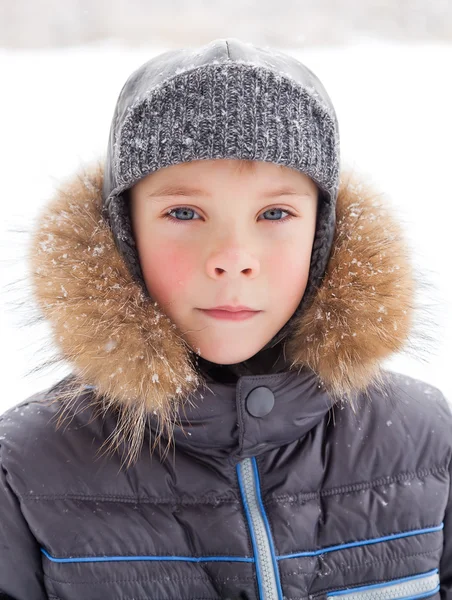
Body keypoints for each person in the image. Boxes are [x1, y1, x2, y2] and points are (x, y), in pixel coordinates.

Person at [0, 37, 450, 600]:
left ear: (324, 233)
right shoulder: (27, 465)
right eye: (184, 212)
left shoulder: (427, 440)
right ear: (123, 232)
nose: (233, 258)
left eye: (275, 212)